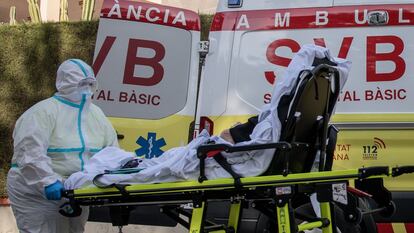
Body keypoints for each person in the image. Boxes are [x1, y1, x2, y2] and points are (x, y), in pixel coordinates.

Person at [64, 45, 351, 190]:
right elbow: (262, 129)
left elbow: (256, 136)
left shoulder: (285, 109)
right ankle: (111, 165)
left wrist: (230, 137)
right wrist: (236, 134)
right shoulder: (302, 104)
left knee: (159, 164)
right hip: (257, 155)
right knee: (156, 161)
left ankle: (99, 171)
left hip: (237, 158)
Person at [7, 59, 119, 233]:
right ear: (65, 83)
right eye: (82, 84)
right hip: (35, 192)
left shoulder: (96, 114)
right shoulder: (43, 112)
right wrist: (47, 181)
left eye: (91, 84)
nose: (87, 89)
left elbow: (111, 151)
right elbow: (29, 153)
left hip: (75, 192)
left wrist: (116, 174)